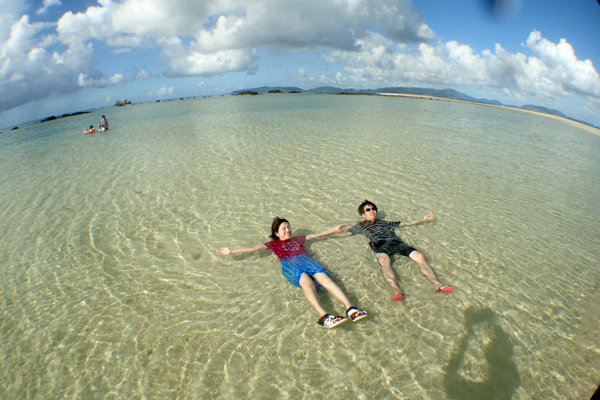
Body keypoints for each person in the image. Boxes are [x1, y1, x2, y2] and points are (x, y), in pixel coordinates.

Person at [216, 217, 368, 328]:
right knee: (308, 284)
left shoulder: (298, 239)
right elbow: (253, 249)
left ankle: (351, 309)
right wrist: (231, 250)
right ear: (276, 233)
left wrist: (334, 229)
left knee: (327, 280)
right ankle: (324, 317)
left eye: (288, 227)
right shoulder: (273, 244)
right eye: (284, 228)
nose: (288, 230)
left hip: (307, 261)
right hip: (290, 264)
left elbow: (317, 235)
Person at [345, 200, 453, 301]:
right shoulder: (360, 226)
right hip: (379, 244)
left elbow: (405, 223)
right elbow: (347, 233)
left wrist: (423, 219)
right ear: (363, 215)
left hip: (396, 242)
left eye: (374, 208)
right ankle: (397, 291)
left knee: (419, 256)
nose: (372, 211)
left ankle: (437, 284)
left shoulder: (383, 222)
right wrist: (335, 232)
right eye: (368, 209)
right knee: (384, 262)